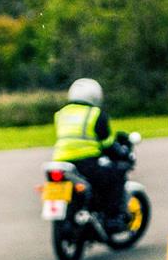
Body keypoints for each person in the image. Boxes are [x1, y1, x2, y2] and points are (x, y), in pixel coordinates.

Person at [52, 78, 127, 230]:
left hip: (60, 162)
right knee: (116, 174)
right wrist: (122, 153)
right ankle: (113, 218)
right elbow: (107, 144)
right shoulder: (95, 114)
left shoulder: (60, 114)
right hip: (86, 162)